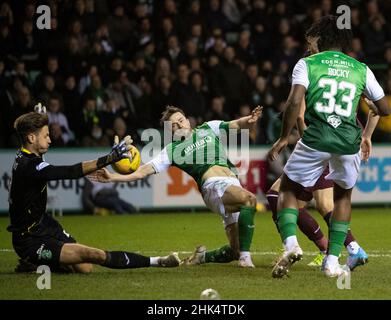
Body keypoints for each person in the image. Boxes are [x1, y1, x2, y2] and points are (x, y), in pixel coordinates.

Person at [267, 15, 390, 278]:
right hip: (348, 143)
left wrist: (283, 137)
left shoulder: (307, 64)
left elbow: (293, 102)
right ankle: (332, 262)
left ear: (320, 39)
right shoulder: (360, 68)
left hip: (316, 138)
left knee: (285, 191)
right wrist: (365, 122)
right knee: (342, 197)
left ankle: (291, 245)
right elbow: (384, 108)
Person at [8, 105, 179, 273]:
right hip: (29, 241)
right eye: (46, 136)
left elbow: (37, 154)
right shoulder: (29, 166)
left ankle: (40, 264)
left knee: (85, 268)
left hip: (45, 225)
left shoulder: (26, 155)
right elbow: (70, 172)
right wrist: (109, 159)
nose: (50, 140)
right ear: (31, 138)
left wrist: (37, 117)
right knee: (92, 254)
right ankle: (158, 262)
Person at [91, 105, 263, 268]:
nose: (179, 124)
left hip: (233, 184)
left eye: (180, 120)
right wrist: (113, 176)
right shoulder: (172, 150)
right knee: (249, 199)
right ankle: (246, 259)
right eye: (173, 125)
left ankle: (202, 257)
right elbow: (142, 171)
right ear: (171, 132)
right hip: (213, 187)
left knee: (235, 250)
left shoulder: (208, 128)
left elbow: (235, 124)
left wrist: (249, 119)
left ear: (188, 121)